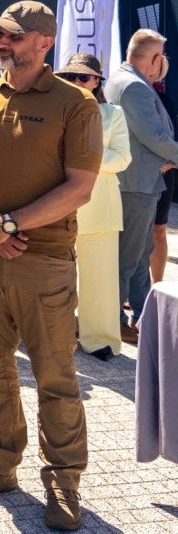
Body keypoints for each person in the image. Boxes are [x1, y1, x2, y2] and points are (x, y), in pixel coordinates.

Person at [0, 0, 103, 532]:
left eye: (13, 36)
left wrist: (10, 225)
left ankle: (63, 479)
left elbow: (79, 188)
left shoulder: (76, 104)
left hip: (44, 263)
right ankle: (0, 461)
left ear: (44, 43)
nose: (0, 43)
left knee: (56, 377)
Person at [105, 29, 178, 344]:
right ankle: (117, 321)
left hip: (139, 181)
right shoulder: (133, 85)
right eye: (161, 56)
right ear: (155, 57)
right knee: (128, 257)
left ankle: (141, 316)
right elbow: (153, 136)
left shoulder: (124, 79)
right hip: (136, 184)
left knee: (138, 254)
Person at [57, 53, 130, 360]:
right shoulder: (53, 110)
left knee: (100, 279)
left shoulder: (113, 113)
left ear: (98, 82)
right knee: (53, 277)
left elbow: (123, 158)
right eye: (70, 76)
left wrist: (87, 157)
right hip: (56, 206)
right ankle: (53, 335)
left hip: (100, 208)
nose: (77, 82)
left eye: (84, 77)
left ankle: (99, 339)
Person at [150, 55, 177, 284]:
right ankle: (131, 290)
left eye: (159, 66)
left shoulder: (165, 100)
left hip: (164, 173)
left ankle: (156, 288)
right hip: (133, 174)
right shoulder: (125, 94)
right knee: (132, 234)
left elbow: (173, 135)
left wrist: (173, 161)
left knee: (159, 228)